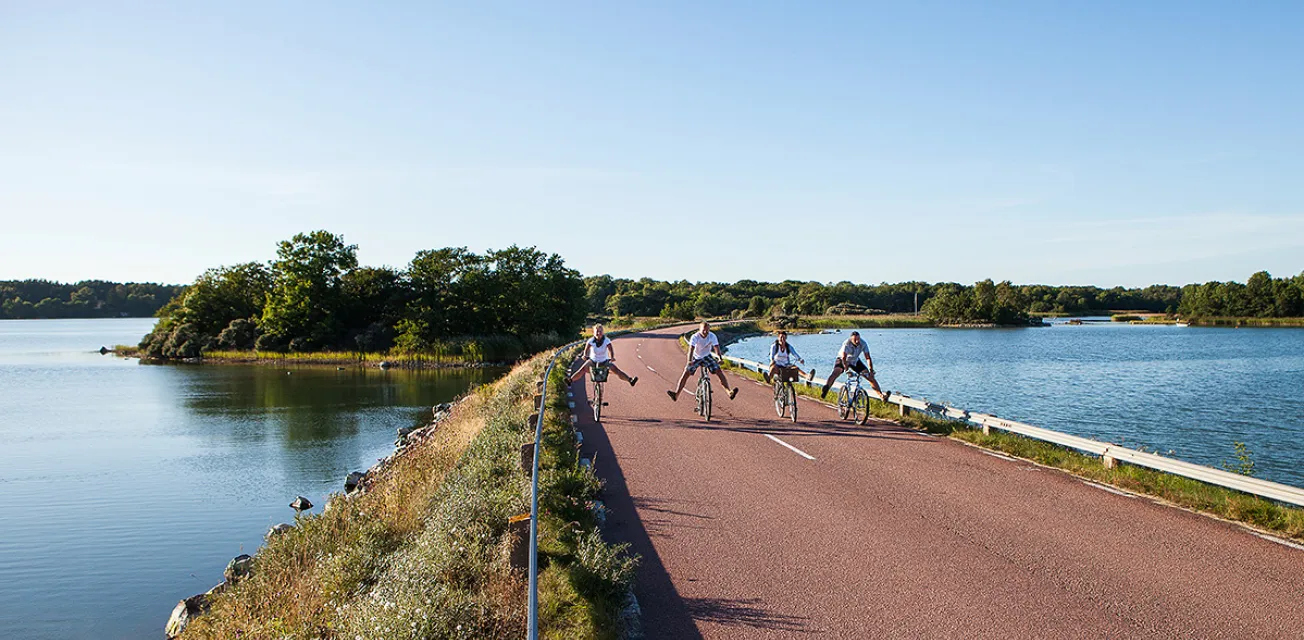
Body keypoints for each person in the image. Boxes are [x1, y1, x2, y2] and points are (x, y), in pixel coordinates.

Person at [667, 321, 739, 402]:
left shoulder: (712, 336)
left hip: (707, 356)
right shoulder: (695, 337)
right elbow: (691, 349)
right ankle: (676, 394)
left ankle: (729, 392)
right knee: (686, 373)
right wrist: (690, 360)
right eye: (703, 330)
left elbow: (716, 347)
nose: (705, 332)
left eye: (707, 330)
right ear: (699, 330)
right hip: (696, 356)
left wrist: (719, 358)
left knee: (718, 371)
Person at [820, 331, 888, 401]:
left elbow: (868, 357)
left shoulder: (863, 343)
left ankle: (881, 396)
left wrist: (871, 370)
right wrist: (846, 369)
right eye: (855, 340)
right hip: (843, 359)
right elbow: (844, 357)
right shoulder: (847, 343)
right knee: (836, 372)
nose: (857, 341)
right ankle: (826, 388)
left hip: (855, 360)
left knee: (869, 376)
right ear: (851, 339)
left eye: (858, 339)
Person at [569, 324, 637, 387]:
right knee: (582, 369)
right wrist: (584, 355)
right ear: (594, 333)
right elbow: (586, 350)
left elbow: (610, 349)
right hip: (593, 360)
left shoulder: (606, 340)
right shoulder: (590, 341)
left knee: (616, 370)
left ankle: (630, 380)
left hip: (604, 361)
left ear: (603, 332)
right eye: (597, 331)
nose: (598, 333)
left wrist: (612, 357)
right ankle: (570, 380)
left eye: (600, 331)